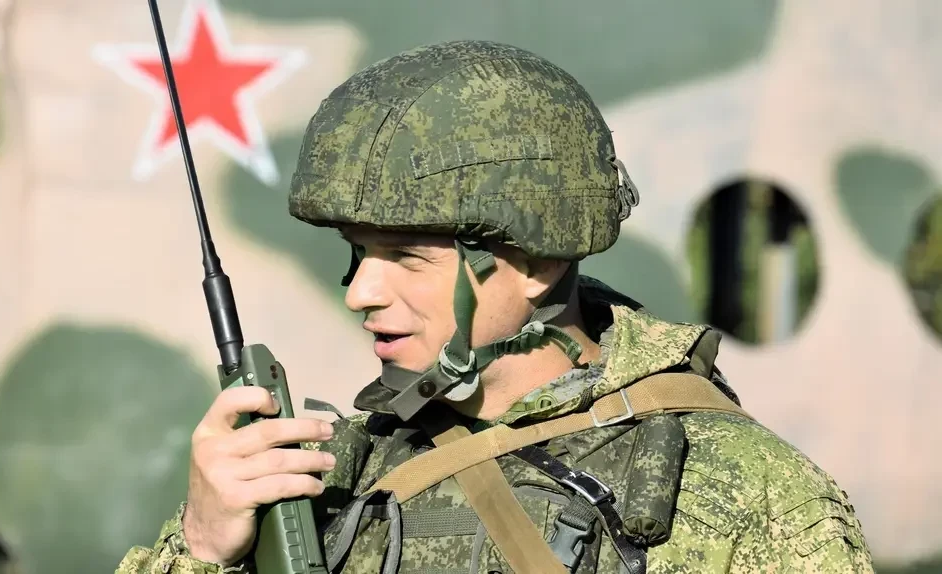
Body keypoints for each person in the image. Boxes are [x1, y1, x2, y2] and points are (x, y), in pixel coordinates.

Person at [116, 40, 874, 573]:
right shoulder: (334, 478)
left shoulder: (748, 496)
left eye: (406, 258)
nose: (358, 292)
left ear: (535, 263)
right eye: (357, 251)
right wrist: (205, 546)